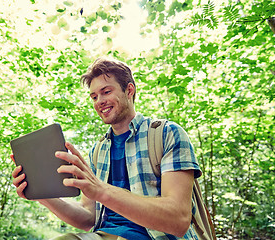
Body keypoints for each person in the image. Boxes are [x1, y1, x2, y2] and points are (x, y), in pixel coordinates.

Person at [12, 57, 202, 240]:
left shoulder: (167, 134)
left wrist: (101, 190)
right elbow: (88, 218)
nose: (99, 101)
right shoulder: (98, 151)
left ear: (129, 90)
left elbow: (179, 219)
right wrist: (40, 195)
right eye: (94, 96)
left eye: (106, 92)